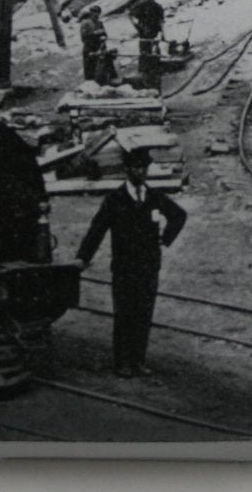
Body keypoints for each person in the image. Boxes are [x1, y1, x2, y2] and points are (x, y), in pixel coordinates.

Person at [75, 145, 187, 377]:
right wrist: (83, 258)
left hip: (148, 267)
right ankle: (122, 363)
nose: (141, 172)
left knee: (144, 314)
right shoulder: (115, 200)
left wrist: (165, 240)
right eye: (136, 168)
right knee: (124, 314)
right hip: (125, 268)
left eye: (144, 168)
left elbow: (179, 215)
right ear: (127, 170)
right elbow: (97, 230)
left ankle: (138, 361)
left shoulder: (154, 197)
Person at [130, 0, 165, 88]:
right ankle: (144, 72)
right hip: (144, 32)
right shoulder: (140, 5)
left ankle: (155, 69)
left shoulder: (158, 7)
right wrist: (137, 26)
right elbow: (131, 15)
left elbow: (161, 21)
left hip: (154, 32)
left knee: (155, 50)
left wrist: (163, 34)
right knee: (144, 51)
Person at [79, 5, 116, 85]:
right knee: (89, 69)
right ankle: (89, 84)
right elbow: (84, 37)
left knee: (100, 67)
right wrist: (95, 34)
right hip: (89, 47)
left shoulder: (100, 23)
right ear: (91, 13)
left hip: (99, 47)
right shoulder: (85, 23)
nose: (96, 15)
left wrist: (103, 36)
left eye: (98, 13)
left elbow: (105, 34)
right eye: (94, 12)